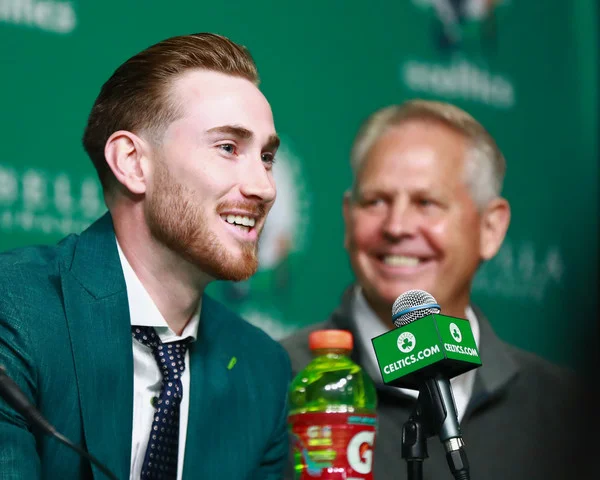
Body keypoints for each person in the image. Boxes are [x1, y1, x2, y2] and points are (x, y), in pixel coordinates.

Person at [0, 33, 291, 479]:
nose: (265, 188)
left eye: (266, 157)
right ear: (133, 163)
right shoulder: (16, 308)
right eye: (228, 148)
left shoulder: (261, 370)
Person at [281, 100, 591, 479]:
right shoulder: (275, 380)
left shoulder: (570, 410)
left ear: (490, 228)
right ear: (348, 217)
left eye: (426, 203)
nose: (396, 226)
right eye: (376, 201)